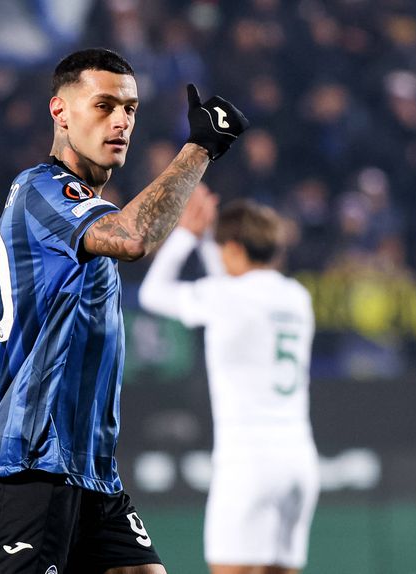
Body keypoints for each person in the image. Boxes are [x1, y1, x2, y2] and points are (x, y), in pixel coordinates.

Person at [0, 48, 248, 574]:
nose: (121, 121)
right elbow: (133, 237)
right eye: (104, 106)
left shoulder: (82, 205)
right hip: (32, 463)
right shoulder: (42, 190)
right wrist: (200, 148)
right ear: (60, 111)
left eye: (130, 109)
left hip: (91, 471)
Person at [139, 187, 319, 574]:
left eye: (223, 249)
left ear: (235, 249)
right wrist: (210, 237)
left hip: (248, 460)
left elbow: (153, 294)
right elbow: (231, 278)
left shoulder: (226, 297)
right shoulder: (297, 297)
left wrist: (188, 234)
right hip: (299, 460)